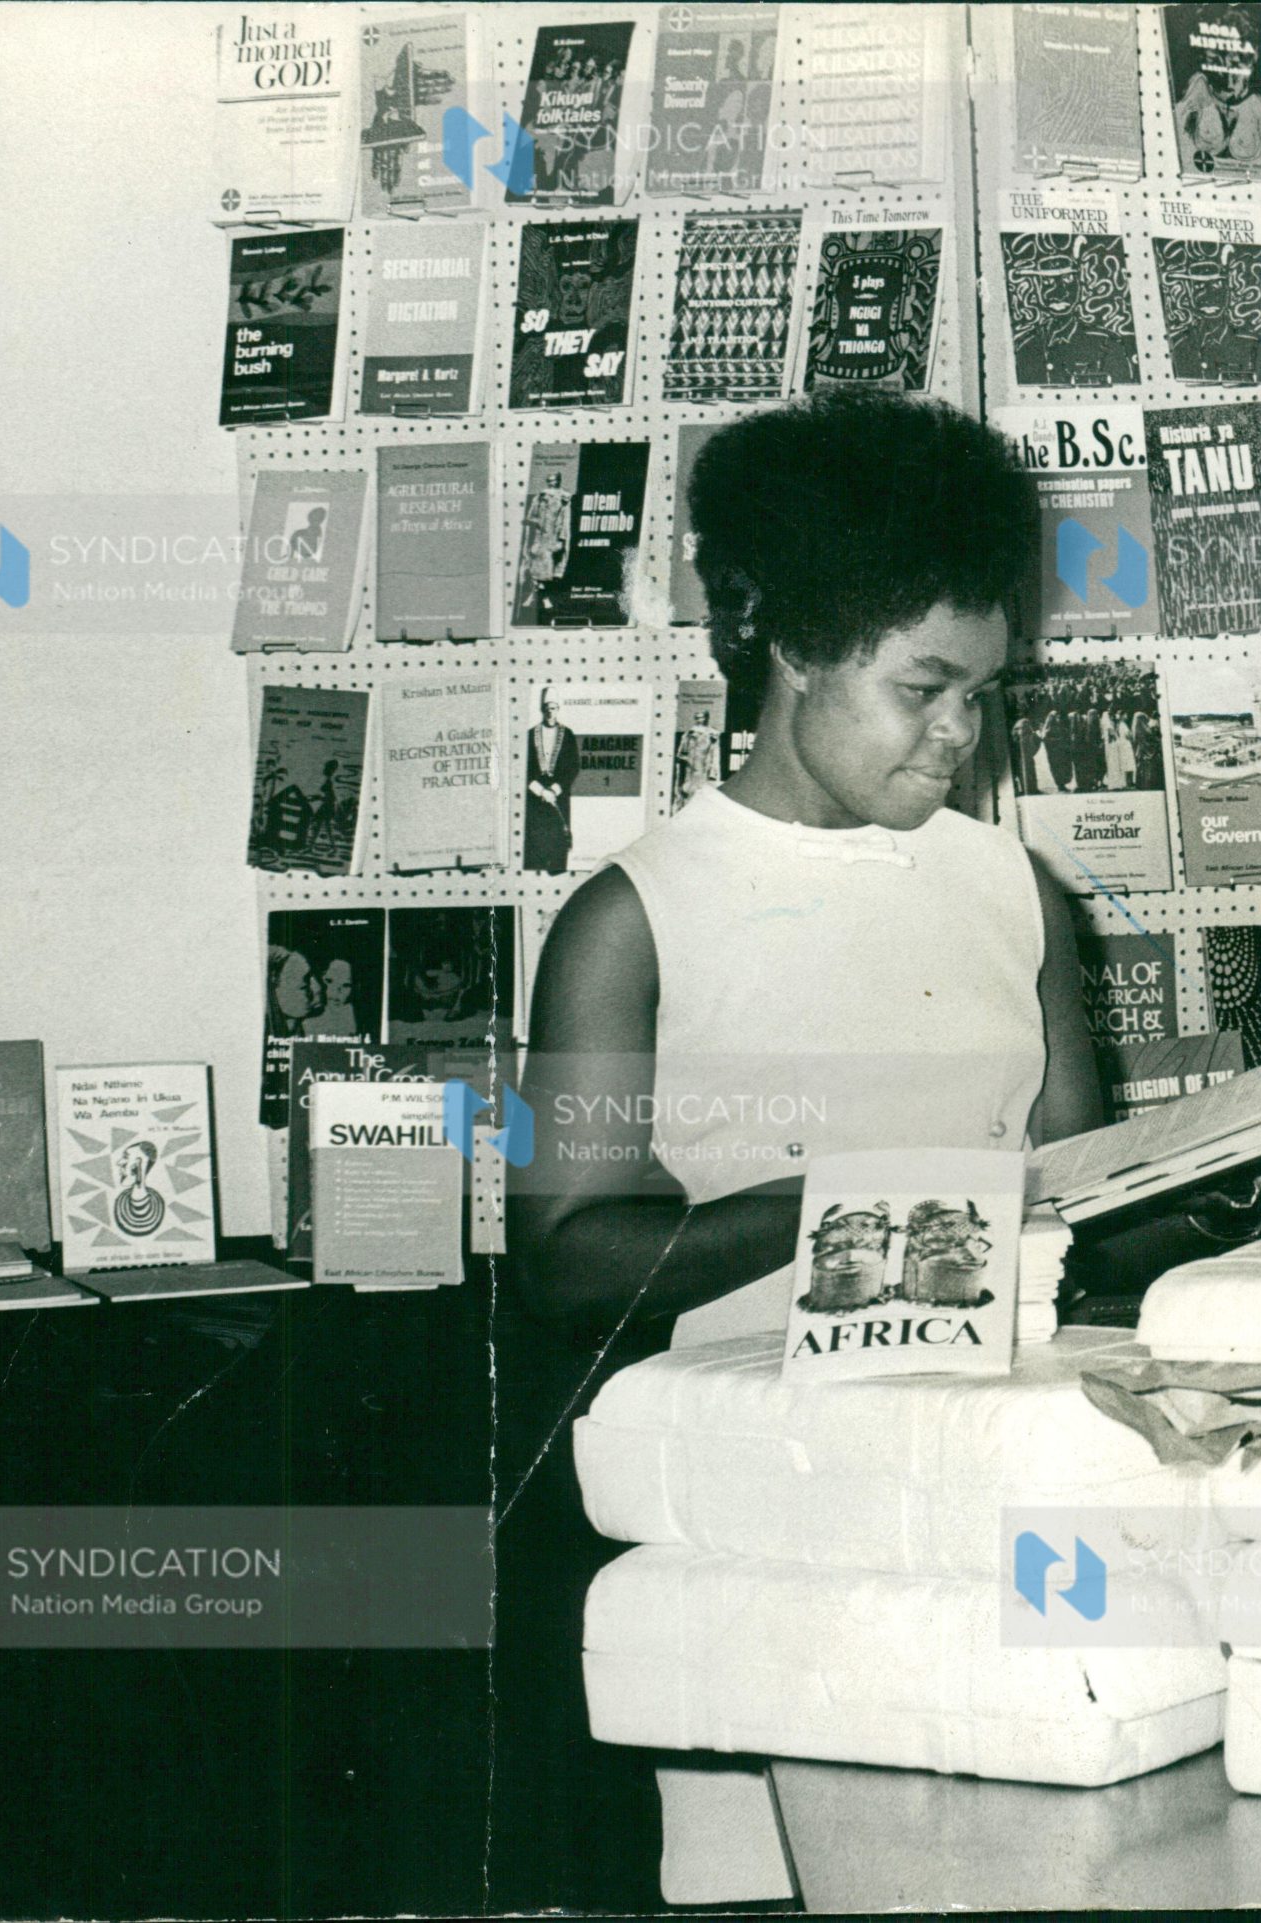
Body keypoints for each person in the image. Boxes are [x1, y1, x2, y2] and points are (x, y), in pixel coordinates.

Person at [491, 391, 1097, 1914]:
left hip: (989, 1511)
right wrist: (843, 1198)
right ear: (793, 651)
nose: (962, 733)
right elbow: (564, 1258)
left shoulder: (1015, 893)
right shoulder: (627, 919)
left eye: (985, 693)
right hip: (759, 1533)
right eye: (924, 688)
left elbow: (1091, 1201)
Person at [524, 689, 577, 874]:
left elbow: (573, 766)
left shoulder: (568, 735)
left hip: (558, 799)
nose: (550, 712)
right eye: (547, 708)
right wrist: (540, 791)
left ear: (558, 709)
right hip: (535, 799)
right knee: (535, 843)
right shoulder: (530, 734)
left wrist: (554, 790)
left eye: (553, 708)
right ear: (542, 709)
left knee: (557, 844)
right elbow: (525, 767)